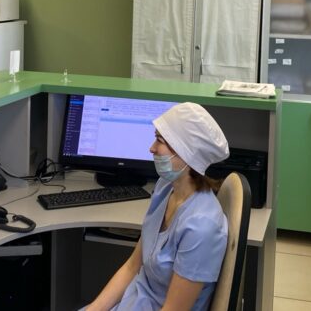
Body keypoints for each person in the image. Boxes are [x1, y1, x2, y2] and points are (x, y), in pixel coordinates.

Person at [86, 102, 230, 311]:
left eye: (160, 140)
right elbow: (131, 267)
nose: (152, 148)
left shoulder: (202, 228)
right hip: (134, 301)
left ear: (185, 152)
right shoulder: (165, 188)